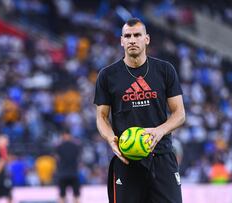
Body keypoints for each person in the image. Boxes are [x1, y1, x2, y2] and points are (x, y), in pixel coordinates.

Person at [94, 17, 185, 203]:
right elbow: (102, 117)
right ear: (121, 41)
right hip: (127, 159)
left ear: (147, 39)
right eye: (127, 36)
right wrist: (110, 138)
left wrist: (159, 131)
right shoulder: (107, 75)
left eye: (137, 35)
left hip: (161, 156)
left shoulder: (165, 70)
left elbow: (179, 114)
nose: (132, 40)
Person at [55, 131, 81, 203]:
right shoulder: (75, 146)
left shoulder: (59, 146)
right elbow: (78, 157)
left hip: (63, 174)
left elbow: (56, 157)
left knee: (62, 196)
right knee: (76, 195)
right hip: (73, 173)